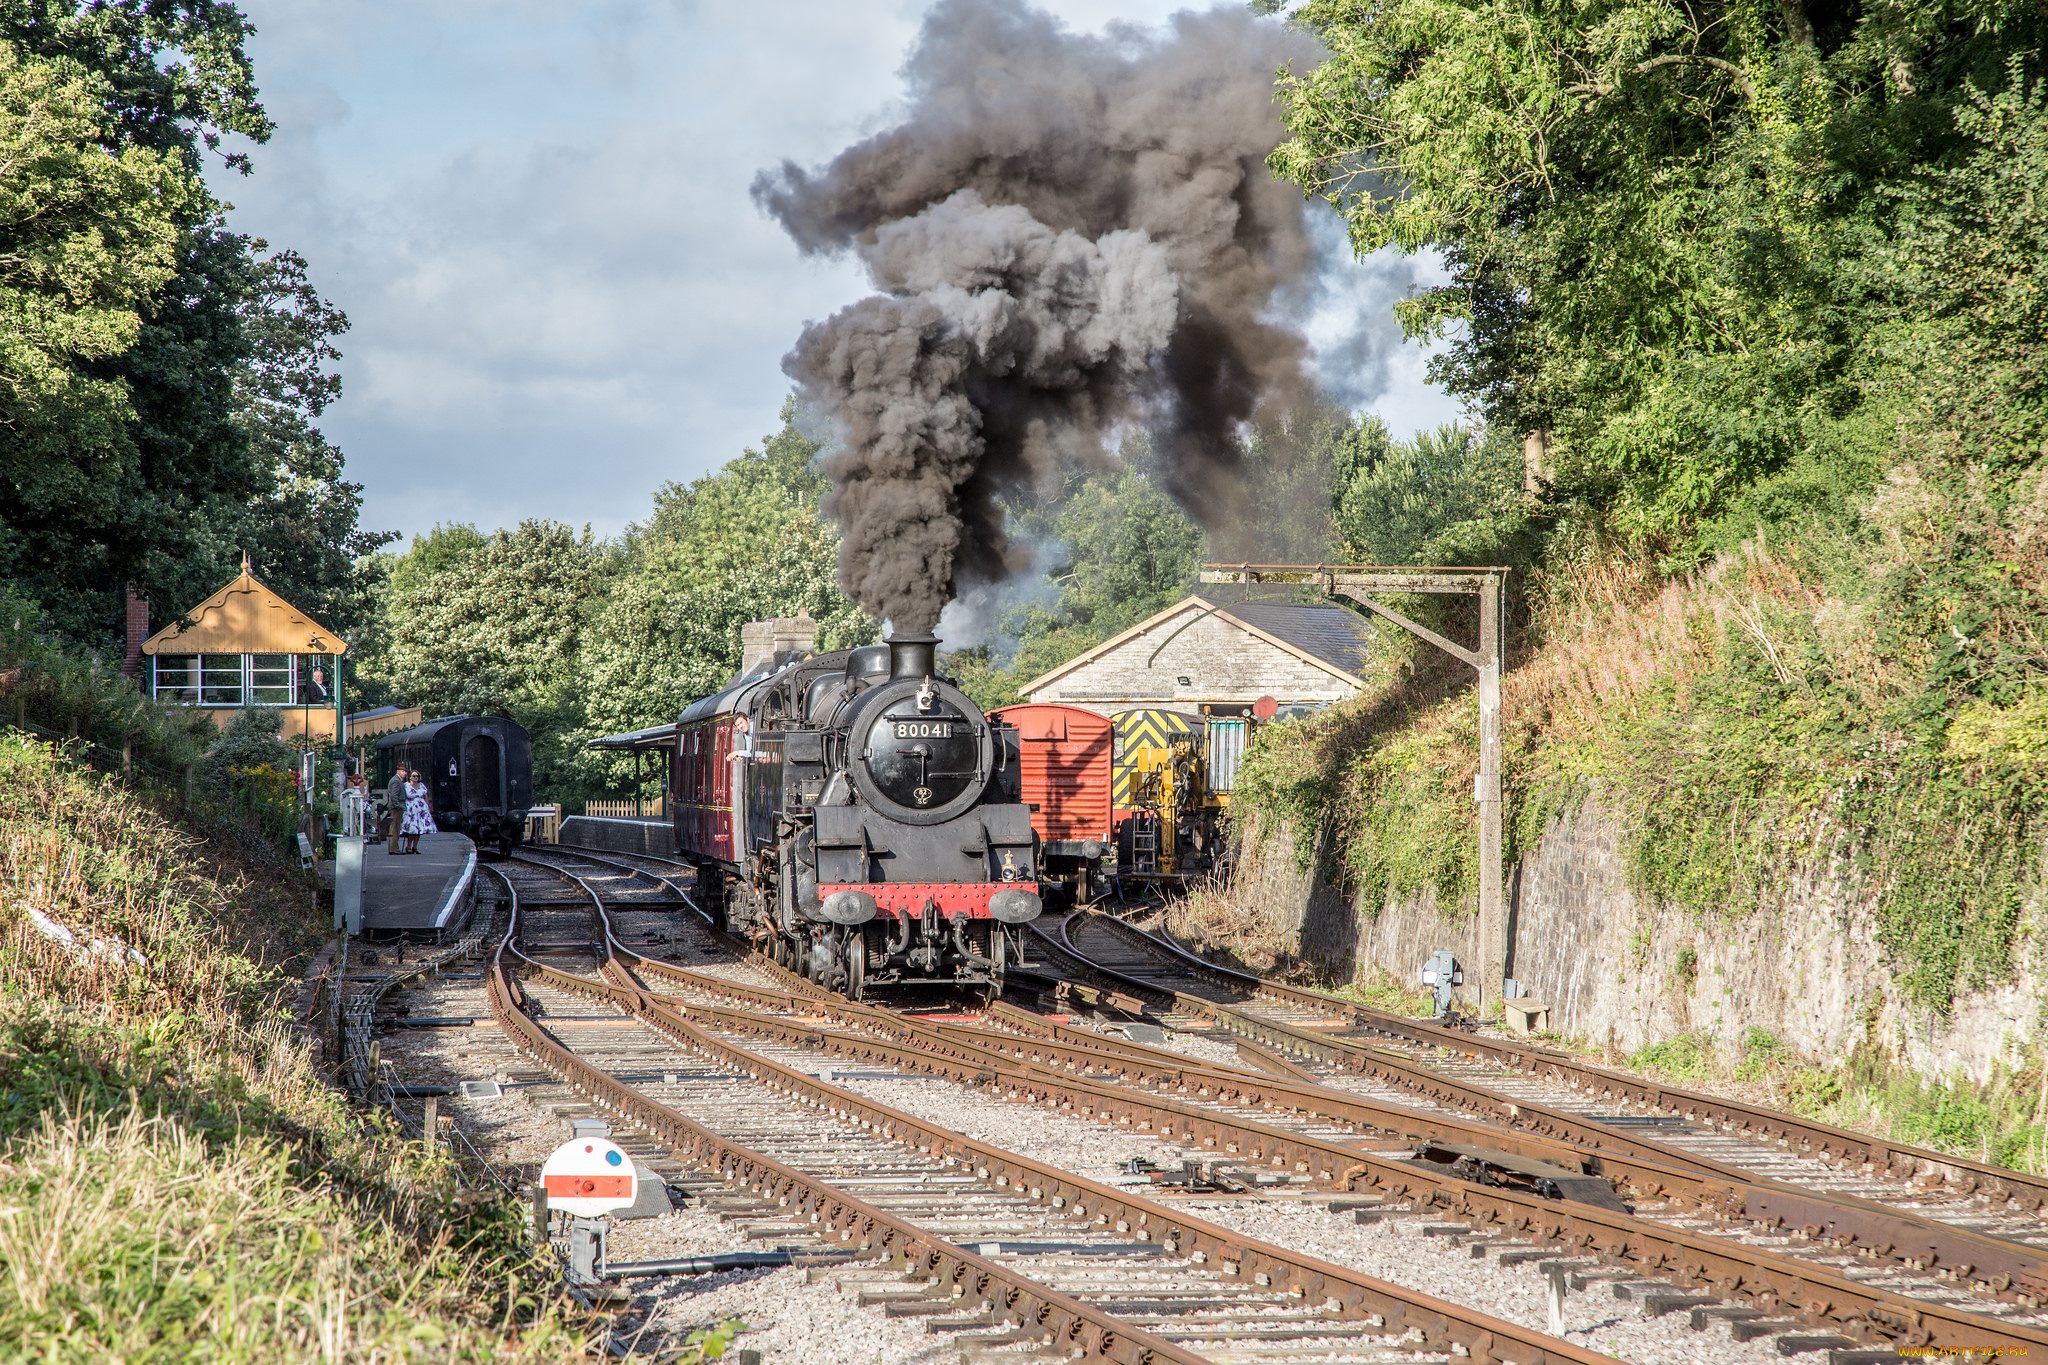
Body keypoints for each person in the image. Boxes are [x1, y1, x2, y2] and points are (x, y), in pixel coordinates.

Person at [400, 769, 437, 853]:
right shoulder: (406, 786)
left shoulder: (422, 786)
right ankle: (408, 846)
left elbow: (425, 796)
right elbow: (405, 796)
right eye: (414, 776)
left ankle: (415, 847)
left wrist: (427, 807)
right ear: (409, 777)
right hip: (411, 811)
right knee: (412, 829)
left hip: (421, 810)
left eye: (417, 776)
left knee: (419, 830)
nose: (416, 777)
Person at [384, 765, 408, 853]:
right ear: (398, 771)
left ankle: (394, 847)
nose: (404, 773)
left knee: (396, 828)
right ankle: (393, 848)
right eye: (403, 771)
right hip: (395, 808)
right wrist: (398, 805)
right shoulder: (396, 781)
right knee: (395, 828)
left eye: (405, 771)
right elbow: (394, 795)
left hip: (397, 806)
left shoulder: (398, 780)